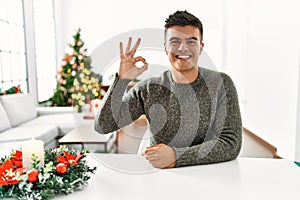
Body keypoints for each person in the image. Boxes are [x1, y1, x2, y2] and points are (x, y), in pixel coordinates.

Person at [95, 10, 242, 168]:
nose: (182, 48)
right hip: (161, 178)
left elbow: (230, 143)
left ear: (201, 47)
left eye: (191, 41)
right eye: (175, 41)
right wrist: (122, 80)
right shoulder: (150, 89)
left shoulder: (221, 83)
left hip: (209, 176)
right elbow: (103, 126)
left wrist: (176, 156)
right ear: (165, 48)